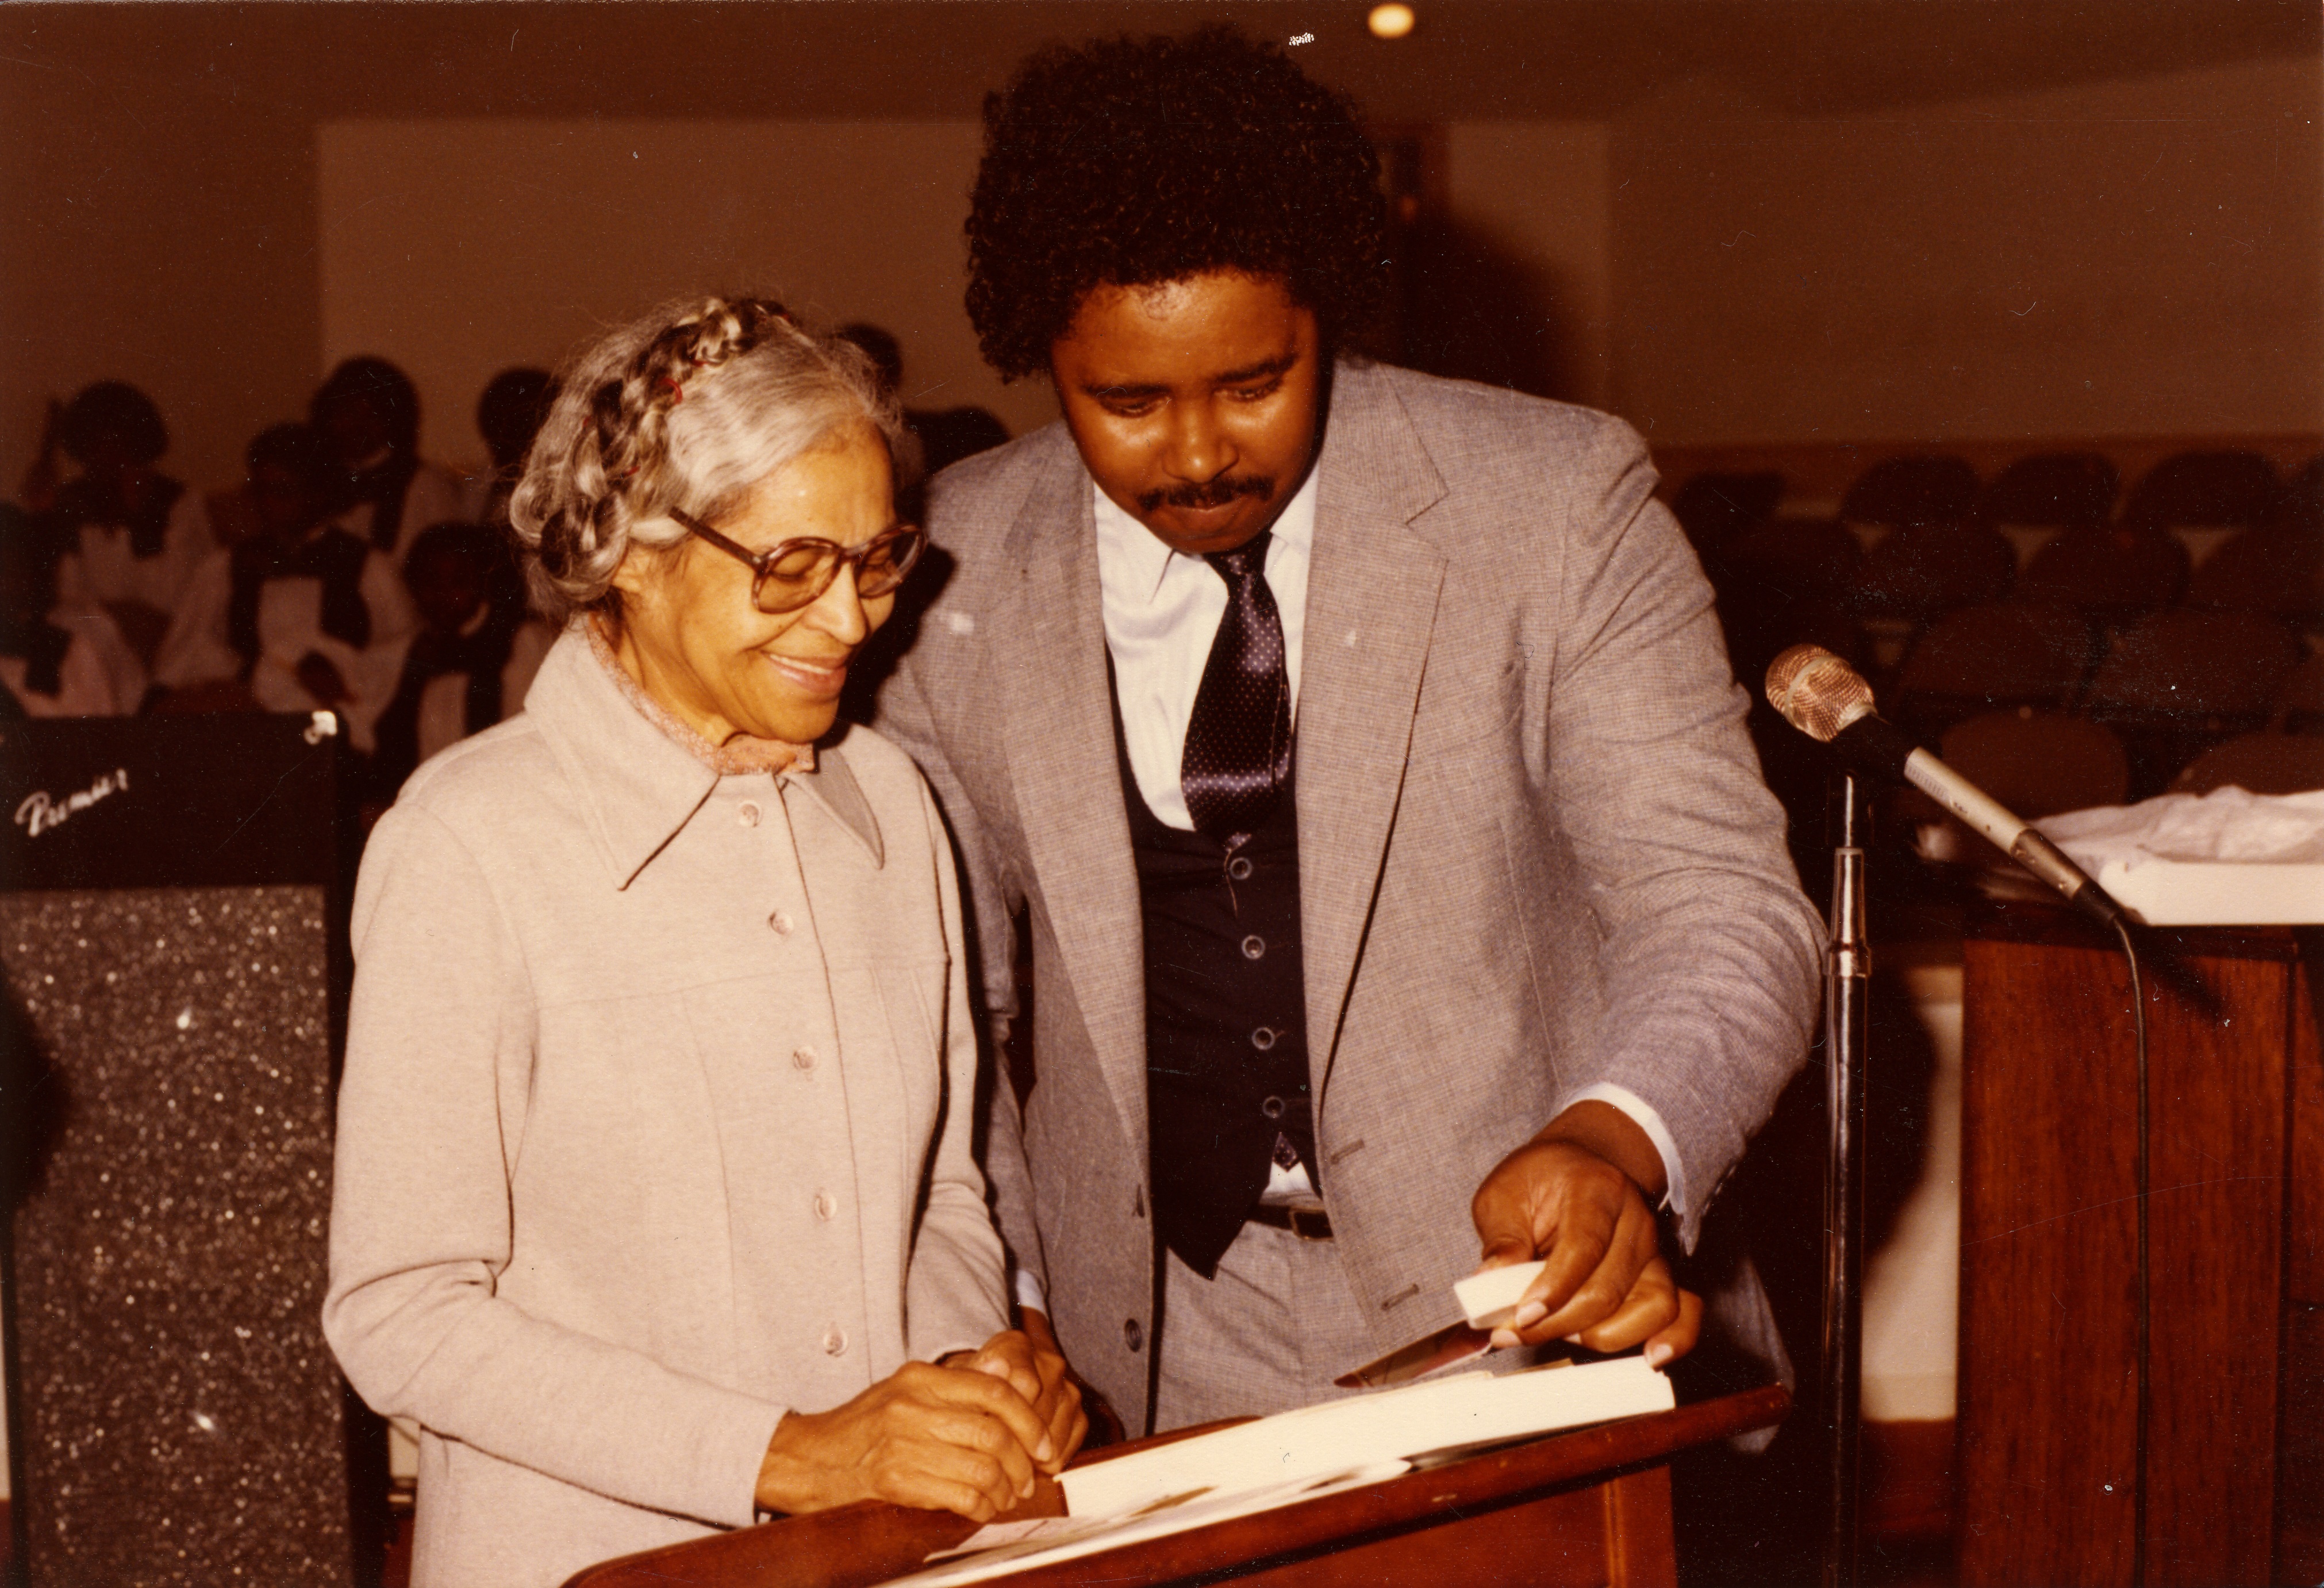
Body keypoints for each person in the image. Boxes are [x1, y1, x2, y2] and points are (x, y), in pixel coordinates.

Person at [875, 28, 1825, 1437]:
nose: (1198, 453)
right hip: (1134, 1345)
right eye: (1125, 401)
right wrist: (997, 1295)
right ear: (1038, 354)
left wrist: (1609, 1138)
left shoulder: (1556, 500)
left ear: (1329, 314)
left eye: (1257, 381)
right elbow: (957, 1011)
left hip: (1524, 1314)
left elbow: (1720, 903)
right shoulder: (949, 556)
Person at [322, 296, 1084, 1588]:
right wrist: (780, 1453)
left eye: (878, 557)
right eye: (789, 566)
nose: (851, 621)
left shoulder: (889, 804)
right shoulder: (469, 839)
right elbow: (400, 1313)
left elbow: (942, 1187)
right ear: (631, 549)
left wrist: (969, 1376)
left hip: (888, 1555)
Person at [151, 422, 416, 746]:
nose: (268, 504)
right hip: (249, 717)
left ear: (319, 493)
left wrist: (344, 672)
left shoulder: (367, 566)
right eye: (260, 491)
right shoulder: (228, 566)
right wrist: (248, 675)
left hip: (336, 717)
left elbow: (400, 651)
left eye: (282, 491)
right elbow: (188, 648)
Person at [17, 381, 212, 684]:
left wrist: (140, 519)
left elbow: (177, 602)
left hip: (168, 650)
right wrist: (40, 517)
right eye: (94, 443)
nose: (105, 455)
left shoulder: (177, 503)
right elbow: (63, 599)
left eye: (117, 441)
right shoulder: (72, 504)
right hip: (95, 644)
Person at [363, 519, 555, 807]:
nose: (443, 595)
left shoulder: (520, 638)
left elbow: (526, 732)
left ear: (484, 583)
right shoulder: (418, 649)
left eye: (459, 582)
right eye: (431, 582)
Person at [309, 355, 466, 563]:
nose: (356, 426)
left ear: (392, 420)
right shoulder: (317, 483)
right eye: (347, 412)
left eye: (370, 414)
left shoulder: (427, 485)